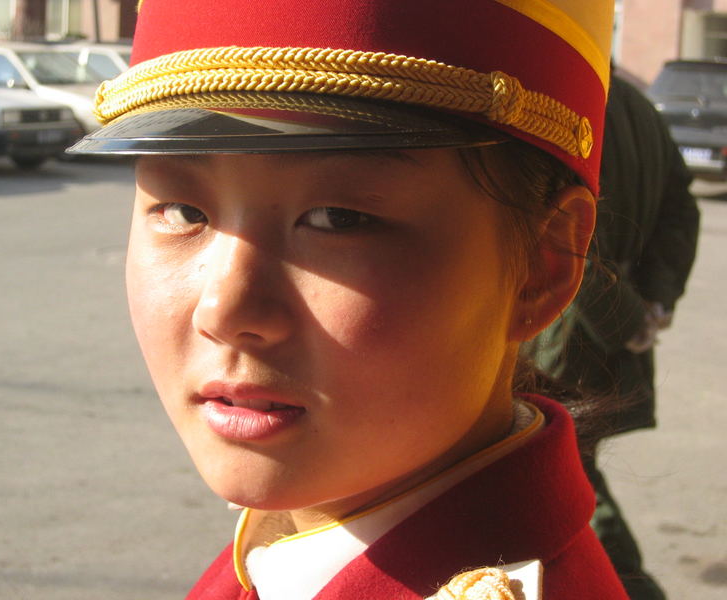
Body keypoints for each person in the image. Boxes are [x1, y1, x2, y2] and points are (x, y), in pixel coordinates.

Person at [69, 1, 629, 598]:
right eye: (184, 212)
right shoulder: (293, 547)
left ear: (543, 266)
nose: (224, 311)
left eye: (338, 218)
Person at [525, 72, 700, 599]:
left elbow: (570, 241)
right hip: (594, 325)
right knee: (567, 473)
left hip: (564, 334)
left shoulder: (564, 96)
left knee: (562, 480)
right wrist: (653, 301)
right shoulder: (637, 105)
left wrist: (631, 318)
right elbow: (681, 210)